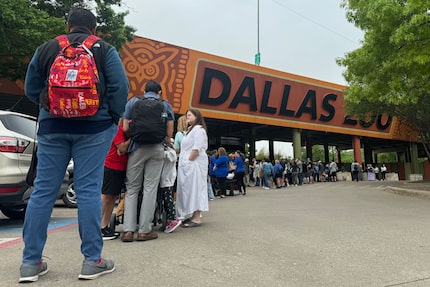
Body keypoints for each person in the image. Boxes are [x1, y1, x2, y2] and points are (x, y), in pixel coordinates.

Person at [20, 7, 129, 282]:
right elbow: (120, 87)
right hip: (94, 127)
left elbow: (31, 87)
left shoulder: (47, 48)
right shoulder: (104, 49)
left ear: (67, 26)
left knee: (44, 189)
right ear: (94, 29)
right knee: (89, 189)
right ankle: (92, 261)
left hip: (52, 126)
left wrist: (50, 105)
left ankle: (30, 263)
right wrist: (111, 116)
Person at [121, 80, 174, 242]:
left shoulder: (133, 102)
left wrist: (135, 137)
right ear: (159, 92)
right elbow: (169, 132)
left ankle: (128, 230)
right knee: (150, 188)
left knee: (132, 189)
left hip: (136, 148)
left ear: (144, 91)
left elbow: (124, 128)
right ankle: (144, 230)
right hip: (157, 148)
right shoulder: (165, 105)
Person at [176, 109, 208, 227]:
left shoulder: (199, 130)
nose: (187, 117)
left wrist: (189, 159)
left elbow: (197, 148)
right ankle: (191, 214)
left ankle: (196, 217)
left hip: (195, 165)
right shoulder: (190, 130)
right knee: (189, 189)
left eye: (189, 115)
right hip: (187, 165)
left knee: (196, 188)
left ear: (196, 116)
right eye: (186, 115)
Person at [101, 118, 130, 240]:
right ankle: (98, 226)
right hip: (111, 166)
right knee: (106, 197)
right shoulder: (118, 131)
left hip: (120, 168)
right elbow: (122, 148)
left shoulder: (123, 132)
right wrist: (130, 140)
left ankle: (105, 225)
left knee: (113, 197)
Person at [160, 142, 182, 234]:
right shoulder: (168, 151)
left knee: (168, 197)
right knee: (164, 198)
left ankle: (172, 218)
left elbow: (171, 157)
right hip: (163, 178)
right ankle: (167, 218)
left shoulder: (170, 152)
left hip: (167, 179)